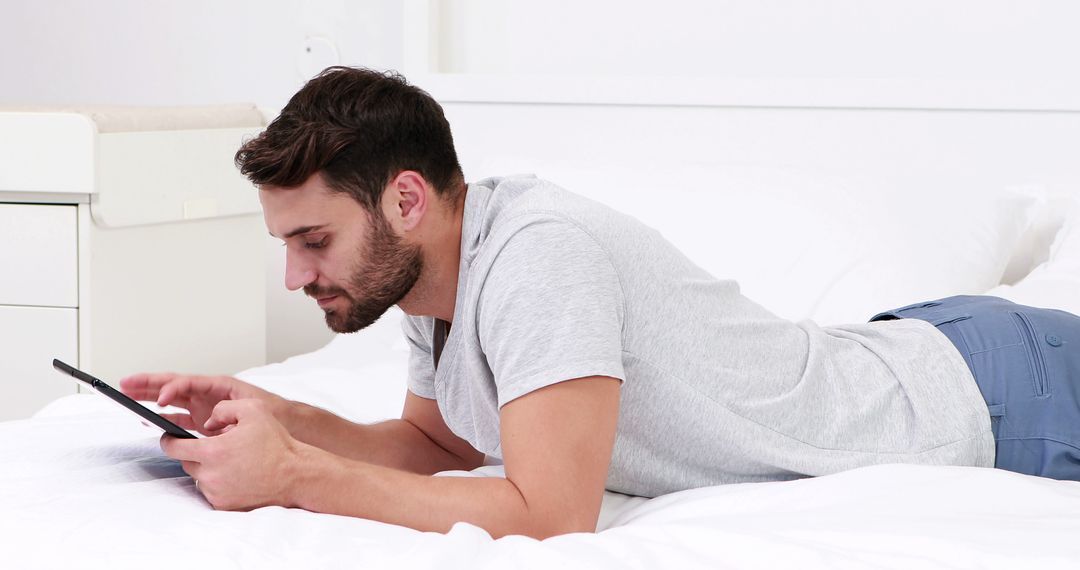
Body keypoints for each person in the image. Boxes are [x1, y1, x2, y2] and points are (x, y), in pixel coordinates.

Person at [119, 67, 1080, 540]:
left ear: (405, 199)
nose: (296, 276)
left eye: (312, 240)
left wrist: (296, 477)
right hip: (921, 351)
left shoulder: (540, 257)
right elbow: (445, 445)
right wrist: (284, 418)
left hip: (995, 398)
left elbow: (550, 512)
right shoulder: (432, 273)